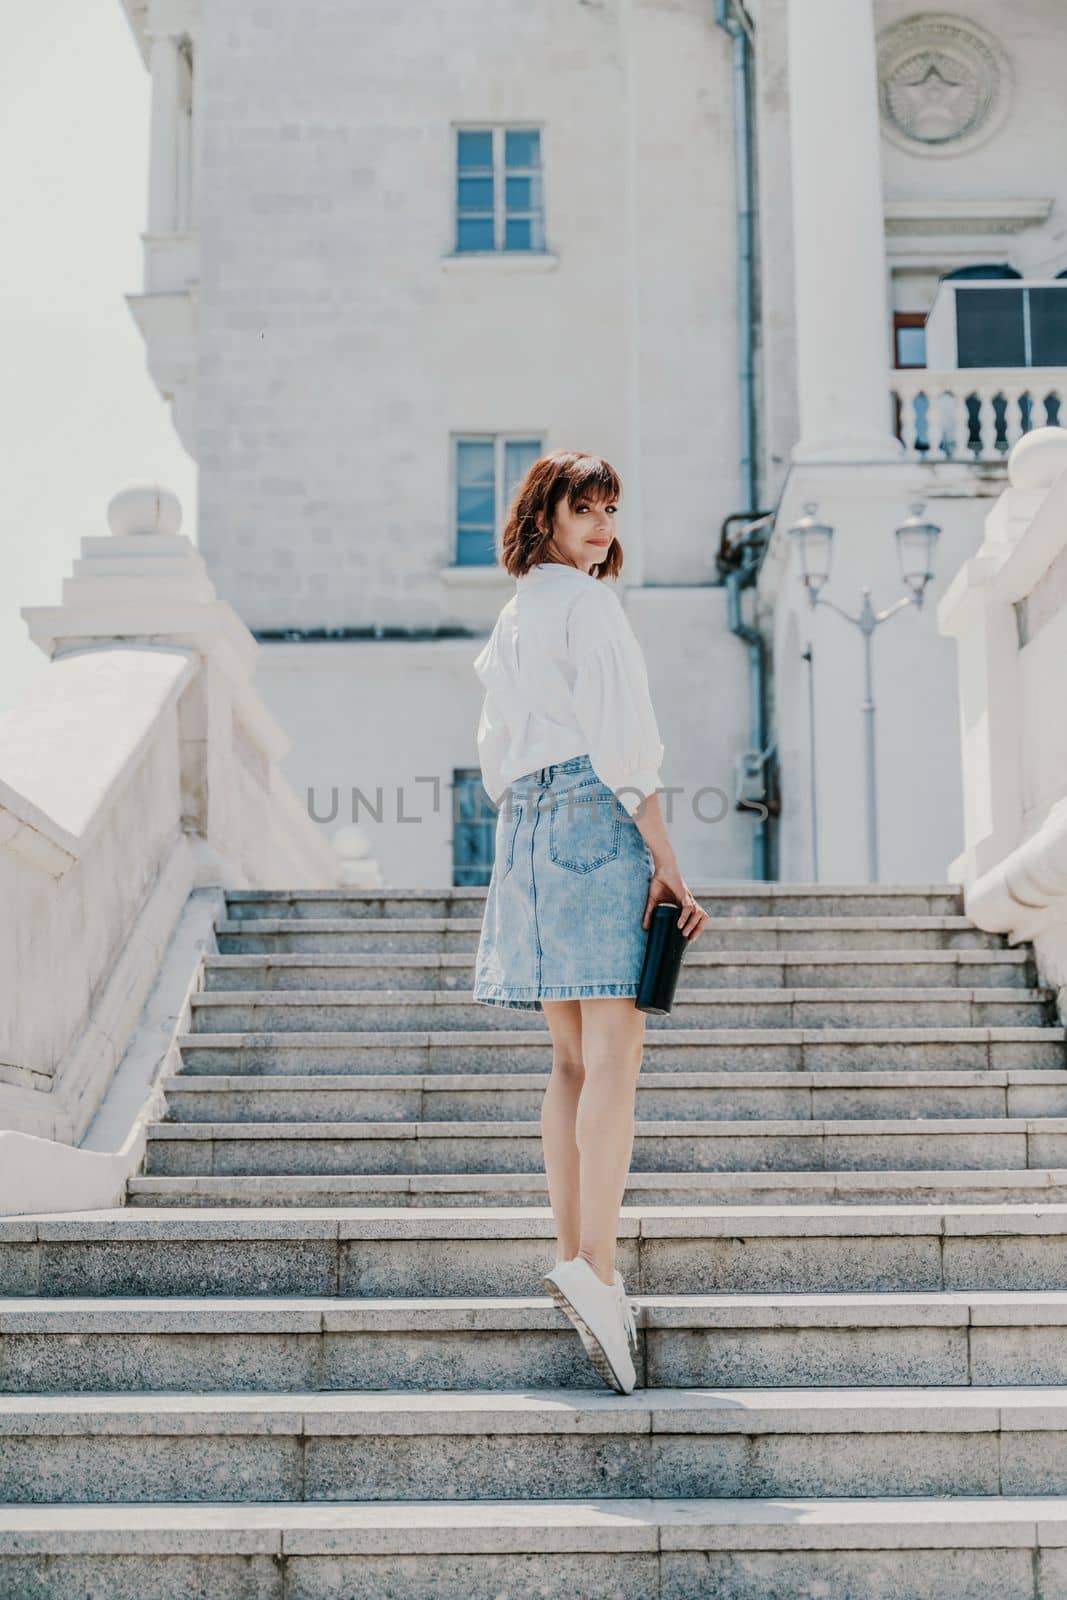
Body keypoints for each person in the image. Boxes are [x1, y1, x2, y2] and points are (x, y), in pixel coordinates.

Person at [470, 448, 709, 1394]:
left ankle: (576, 1251)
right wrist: (665, 856)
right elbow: (624, 741)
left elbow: (492, 748)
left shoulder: (515, 613)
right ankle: (597, 1269)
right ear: (547, 513)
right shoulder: (588, 605)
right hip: (591, 813)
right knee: (615, 1058)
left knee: (569, 1060)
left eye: (609, 509)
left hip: (525, 825)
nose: (601, 526)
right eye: (584, 508)